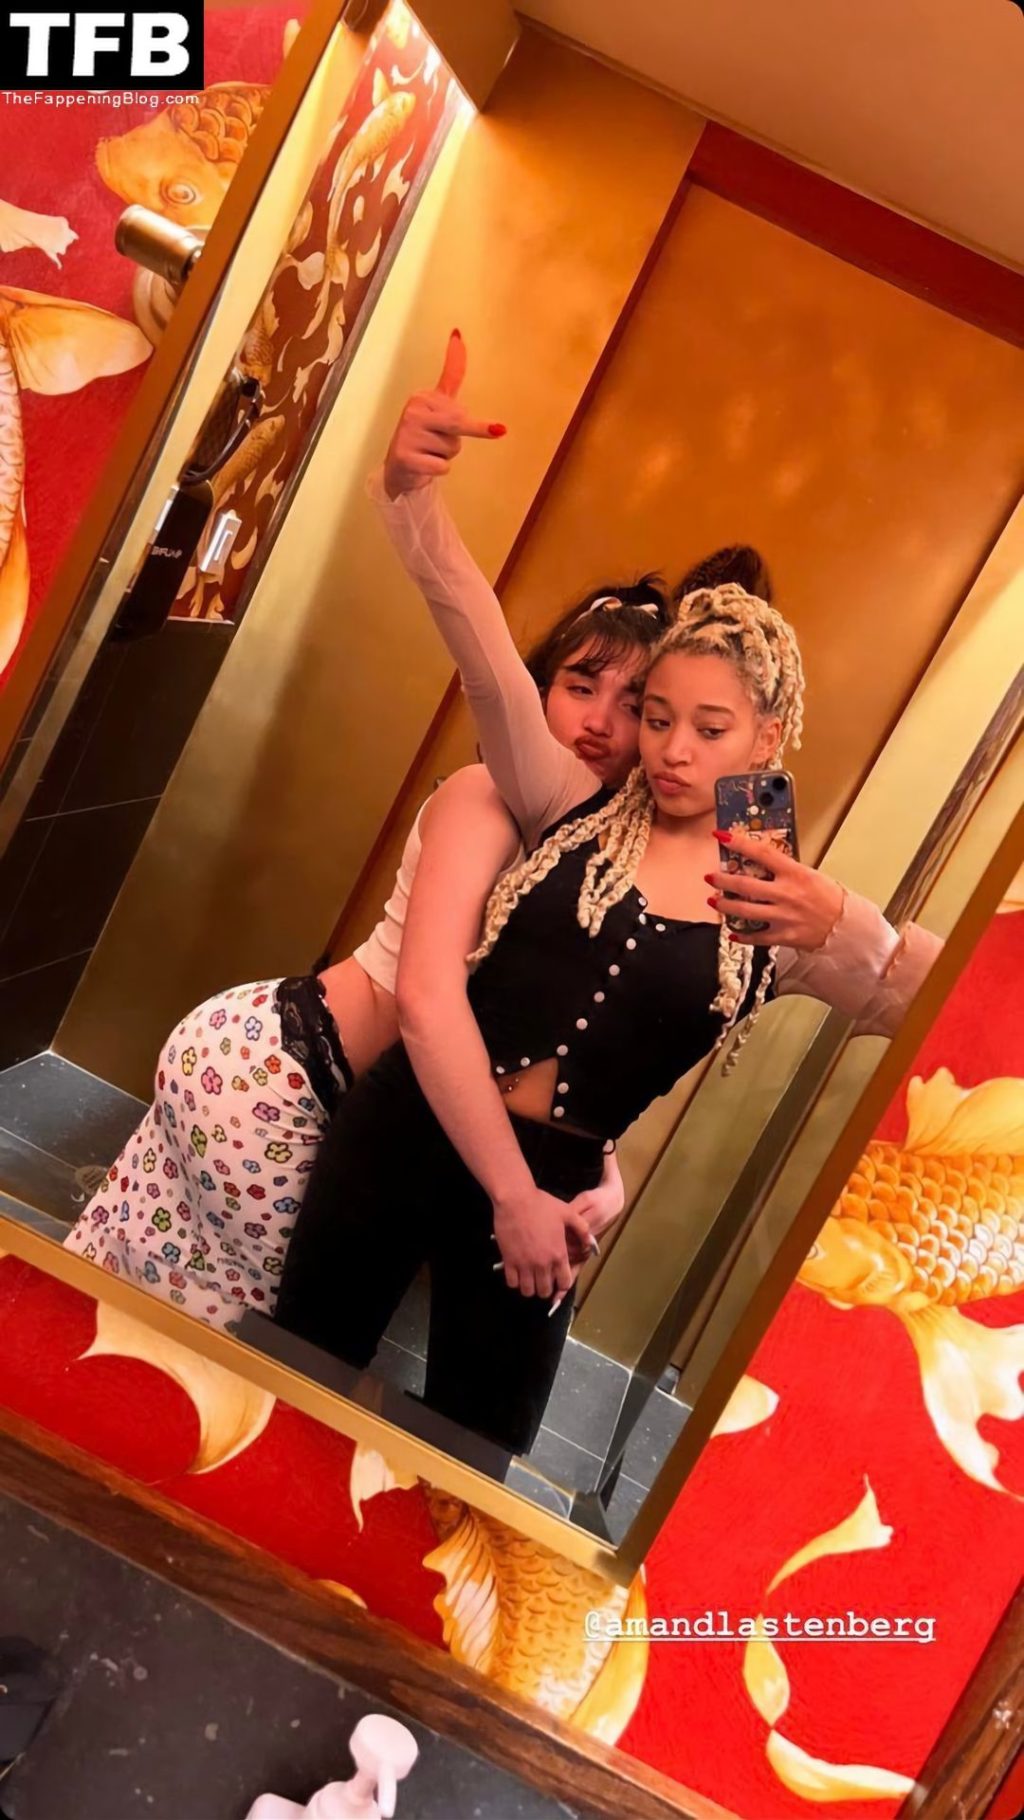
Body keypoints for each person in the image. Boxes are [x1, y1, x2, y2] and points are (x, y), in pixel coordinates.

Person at [270, 351, 942, 1454]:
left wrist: (848, 926)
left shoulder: (777, 908)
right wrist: (411, 494)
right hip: (406, 1128)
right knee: (288, 1386)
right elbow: (484, 652)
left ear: (767, 739)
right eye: (656, 716)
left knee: (475, 1459)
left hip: (559, 1192)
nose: (671, 750)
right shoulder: (570, 803)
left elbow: (958, 1013)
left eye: (710, 730)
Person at [62, 553, 728, 1329]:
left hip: (284, 1080)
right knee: (238, 1353)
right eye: (580, 687)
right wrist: (517, 1192)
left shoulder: (598, 859)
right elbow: (428, 1002)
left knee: (105, 1308)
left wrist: (604, 1170)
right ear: (537, 688)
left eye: (635, 706)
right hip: (283, 1083)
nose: (599, 723)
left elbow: (545, 1037)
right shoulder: (487, 797)